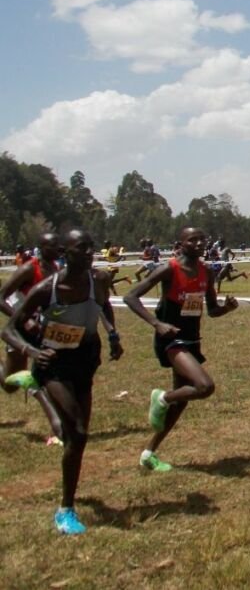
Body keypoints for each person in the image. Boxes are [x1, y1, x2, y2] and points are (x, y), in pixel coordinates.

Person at [1, 229, 122, 534]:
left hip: (85, 361)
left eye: (90, 247)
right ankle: (65, 509)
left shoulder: (99, 280)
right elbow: (8, 330)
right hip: (53, 363)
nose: (89, 252)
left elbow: (104, 304)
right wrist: (31, 350)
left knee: (76, 437)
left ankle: (69, 498)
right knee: (78, 433)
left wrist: (112, 333)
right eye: (81, 248)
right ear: (67, 253)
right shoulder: (46, 288)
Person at [123, 226, 238, 472]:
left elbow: (212, 310)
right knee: (204, 387)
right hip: (171, 339)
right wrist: (157, 323)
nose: (199, 243)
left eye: (202, 239)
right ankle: (161, 397)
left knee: (182, 401)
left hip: (192, 339)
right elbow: (130, 297)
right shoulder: (169, 269)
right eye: (192, 240)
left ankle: (148, 453)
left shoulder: (206, 272)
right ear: (181, 243)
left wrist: (226, 308)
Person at [0, 231, 64, 444]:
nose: (58, 248)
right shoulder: (29, 268)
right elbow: (1, 296)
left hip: (40, 331)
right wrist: (22, 318)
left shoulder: (56, 269)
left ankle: (58, 429)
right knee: (10, 385)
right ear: (42, 248)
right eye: (53, 245)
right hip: (19, 329)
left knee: (48, 374)